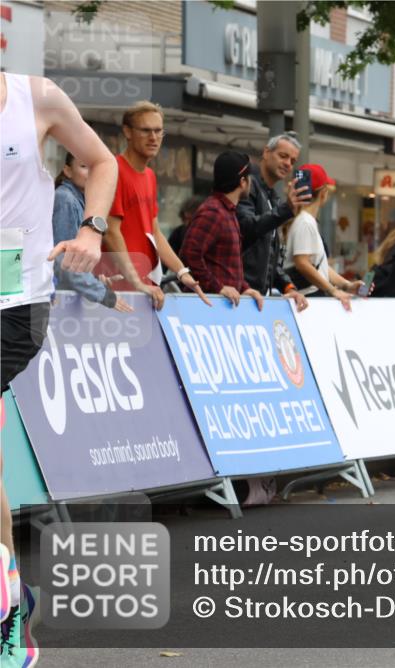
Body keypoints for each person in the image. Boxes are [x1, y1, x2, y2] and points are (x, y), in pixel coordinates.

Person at [1, 70, 119, 668]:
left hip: (16, 300)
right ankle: (10, 603)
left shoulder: (36, 96)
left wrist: (91, 230)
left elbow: (102, 162)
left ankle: (9, 612)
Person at [97, 101, 208, 309]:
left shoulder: (149, 176)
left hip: (144, 289)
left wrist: (182, 272)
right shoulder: (115, 170)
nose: (153, 137)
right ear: (127, 132)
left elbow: (154, 232)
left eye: (158, 131)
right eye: (145, 130)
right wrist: (136, 281)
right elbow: (111, 231)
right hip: (117, 290)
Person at [179, 151, 264, 310]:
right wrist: (218, 287)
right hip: (207, 309)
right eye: (249, 177)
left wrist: (244, 288)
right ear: (242, 182)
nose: (251, 182)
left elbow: (226, 265)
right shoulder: (214, 212)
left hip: (219, 308)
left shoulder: (226, 211)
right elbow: (189, 254)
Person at [236, 133, 309, 312]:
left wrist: (288, 287)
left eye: (293, 161)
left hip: (258, 299)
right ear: (266, 152)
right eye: (283, 156)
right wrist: (285, 210)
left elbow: (270, 256)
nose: (288, 164)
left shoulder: (273, 197)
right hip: (239, 294)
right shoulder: (247, 186)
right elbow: (247, 228)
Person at [51, 152, 132, 312]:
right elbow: (64, 263)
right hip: (57, 302)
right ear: (68, 171)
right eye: (84, 166)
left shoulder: (83, 201)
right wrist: (102, 294)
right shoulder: (66, 199)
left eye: (95, 168)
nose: (92, 173)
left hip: (65, 300)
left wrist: (95, 280)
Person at [280, 163, 356, 310]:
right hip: (307, 300)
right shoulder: (305, 222)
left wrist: (347, 285)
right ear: (323, 193)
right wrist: (333, 290)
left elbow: (320, 266)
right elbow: (302, 263)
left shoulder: (306, 221)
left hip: (309, 298)